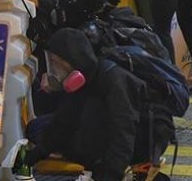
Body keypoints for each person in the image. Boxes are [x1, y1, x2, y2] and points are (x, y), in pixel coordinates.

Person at [26, 28, 174, 181]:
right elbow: (62, 122)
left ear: (72, 60)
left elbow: (123, 132)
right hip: (114, 138)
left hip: (143, 138)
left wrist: (109, 175)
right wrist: (36, 154)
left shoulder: (112, 79)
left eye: (57, 64)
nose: (54, 71)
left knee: (89, 123)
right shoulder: (83, 83)